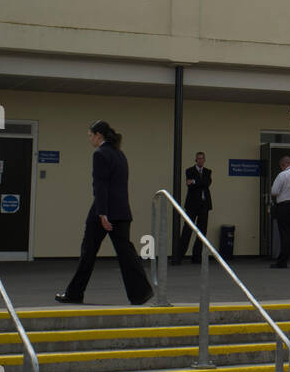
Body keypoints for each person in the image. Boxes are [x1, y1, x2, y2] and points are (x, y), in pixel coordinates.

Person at [57, 120, 154, 305]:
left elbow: (100, 186)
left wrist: (102, 214)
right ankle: (141, 292)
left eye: (90, 135)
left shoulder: (100, 154)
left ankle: (74, 294)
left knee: (88, 253)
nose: (90, 139)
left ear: (98, 135)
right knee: (126, 253)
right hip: (122, 212)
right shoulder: (120, 154)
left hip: (104, 212)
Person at [173, 151, 213, 264]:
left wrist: (195, 181)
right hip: (192, 205)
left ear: (204, 160)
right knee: (187, 230)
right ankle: (179, 256)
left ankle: (197, 257)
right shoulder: (189, 171)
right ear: (196, 160)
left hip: (204, 205)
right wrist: (197, 182)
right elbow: (190, 184)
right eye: (198, 159)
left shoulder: (208, 171)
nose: (200, 161)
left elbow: (207, 183)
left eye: (202, 159)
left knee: (202, 231)